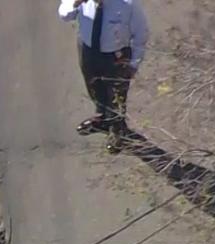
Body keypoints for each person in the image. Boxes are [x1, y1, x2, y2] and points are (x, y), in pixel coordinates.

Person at [59, 0, 150, 154]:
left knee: (117, 95)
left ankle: (117, 129)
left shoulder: (128, 4)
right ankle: (102, 118)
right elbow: (64, 15)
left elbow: (141, 34)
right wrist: (74, 3)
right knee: (94, 87)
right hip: (88, 50)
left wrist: (134, 64)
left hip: (116, 56)